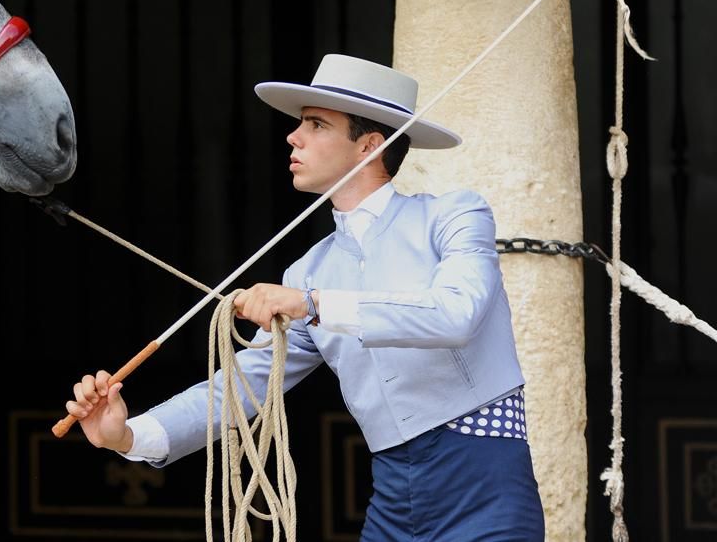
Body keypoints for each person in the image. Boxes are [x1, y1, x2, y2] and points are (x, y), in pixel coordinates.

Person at [65, 54, 544, 540]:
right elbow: (243, 387)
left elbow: (456, 315)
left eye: (316, 124)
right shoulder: (309, 269)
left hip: (484, 475)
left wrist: (314, 305)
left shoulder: (454, 215)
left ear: (369, 146)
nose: (294, 137)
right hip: (395, 495)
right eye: (300, 124)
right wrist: (128, 435)